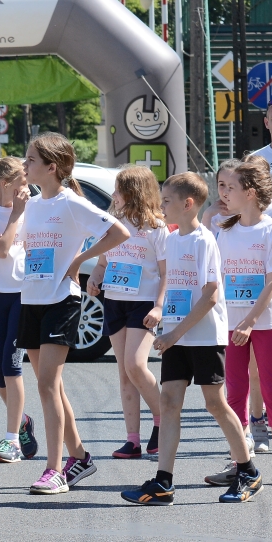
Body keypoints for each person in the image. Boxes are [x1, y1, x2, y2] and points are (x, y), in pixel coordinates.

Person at [122, 173, 251, 505]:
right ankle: (163, 481)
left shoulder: (203, 241)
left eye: (166, 201)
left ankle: (247, 470)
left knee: (214, 403)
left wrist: (175, 333)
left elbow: (210, 296)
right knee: (168, 402)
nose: (161, 206)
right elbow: (173, 284)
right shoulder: (172, 238)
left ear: (188, 204)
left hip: (204, 336)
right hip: (176, 336)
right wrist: (165, 318)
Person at [18, 133, 128, 494]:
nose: (25, 164)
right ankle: (79, 456)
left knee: (47, 385)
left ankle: (54, 470)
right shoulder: (32, 204)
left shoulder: (71, 203)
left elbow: (119, 232)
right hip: (31, 300)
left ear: (52, 167)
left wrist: (81, 259)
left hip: (61, 301)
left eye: (31, 160)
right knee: (50, 386)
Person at [210, 159, 272, 490]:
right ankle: (239, 461)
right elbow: (217, 279)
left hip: (265, 323)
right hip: (230, 323)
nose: (224, 193)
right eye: (222, 187)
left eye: (230, 188)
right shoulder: (223, 229)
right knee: (235, 391)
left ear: (249, 193)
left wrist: (249, 320)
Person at [86, 165, 167, 459]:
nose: (114, 195)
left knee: (135, 364)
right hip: (114, 301)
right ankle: (132, 439)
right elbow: (102, 263)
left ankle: (163, 420)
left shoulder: (156, 228)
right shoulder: (113, 224)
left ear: (134, 192)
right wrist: (95, 278)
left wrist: (159, 306)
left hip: (143, 302)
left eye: (119, 190)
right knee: (124, 372)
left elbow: (166, 272)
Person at [0, 156, 38, 463]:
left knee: (12, 366)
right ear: (5, 184)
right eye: (23, 183)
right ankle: (22, 420)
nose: (29, 188)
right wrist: (16, 214)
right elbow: (0, 250)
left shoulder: (32, 208)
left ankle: (11, 439)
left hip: (23, 295)